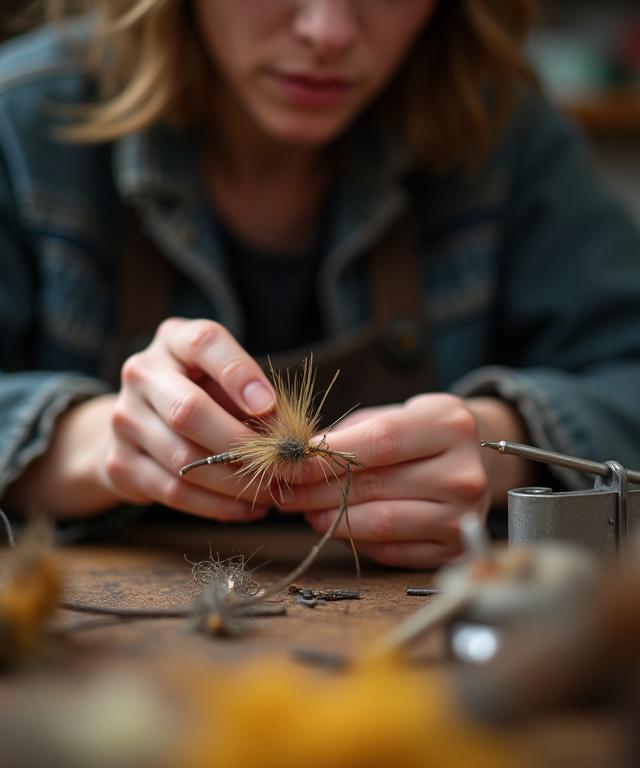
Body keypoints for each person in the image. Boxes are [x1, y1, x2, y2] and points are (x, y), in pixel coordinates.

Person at [1, 0, 639, 569]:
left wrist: (505, 448)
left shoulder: (502, 131)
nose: (327, 31)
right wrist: (83, 442)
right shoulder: (20, 123)